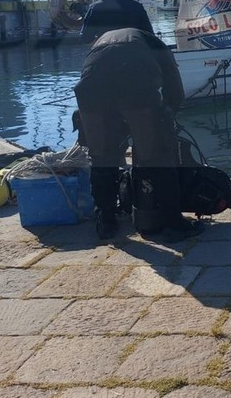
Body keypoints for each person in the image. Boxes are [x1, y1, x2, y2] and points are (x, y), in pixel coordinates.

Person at [74, 27, 201, 242]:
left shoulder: (101, 42)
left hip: (90, 88)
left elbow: (97, 80)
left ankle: (106, 222)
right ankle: (173, 224)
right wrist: (166, 120)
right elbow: (175, 92)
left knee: (102, 156)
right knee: (157, 156)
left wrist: (121, 125)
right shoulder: (158, 46)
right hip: (135, 83)